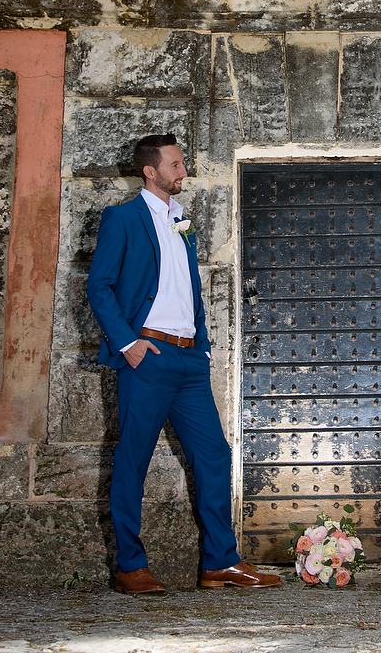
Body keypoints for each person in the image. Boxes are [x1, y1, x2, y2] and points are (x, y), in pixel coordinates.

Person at [87, 133, 281, 594]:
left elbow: (189, 288)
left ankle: (220, 562)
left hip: (190, 359)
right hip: (148, 357)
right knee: (133, 458)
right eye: (175, 164)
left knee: (214, 454)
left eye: (182, 163)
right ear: (150, 171)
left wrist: (204, 347)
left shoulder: (182, 221)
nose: (183, 171)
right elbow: (99, 286)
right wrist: (128, 344)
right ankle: (130, 566)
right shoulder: (122, 219)